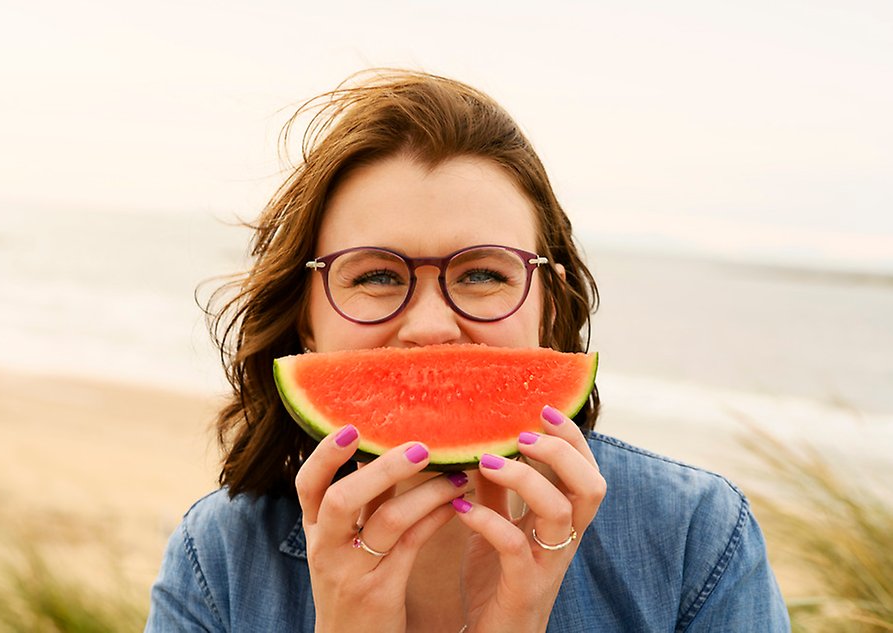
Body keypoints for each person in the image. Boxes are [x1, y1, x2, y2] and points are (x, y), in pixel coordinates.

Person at [146, 69, 789, 632]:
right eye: (374, 276)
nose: (429, 327)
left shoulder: (694, 537)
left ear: (550, 306)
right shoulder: (220, 559)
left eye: (483, 274)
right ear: (307, 322)